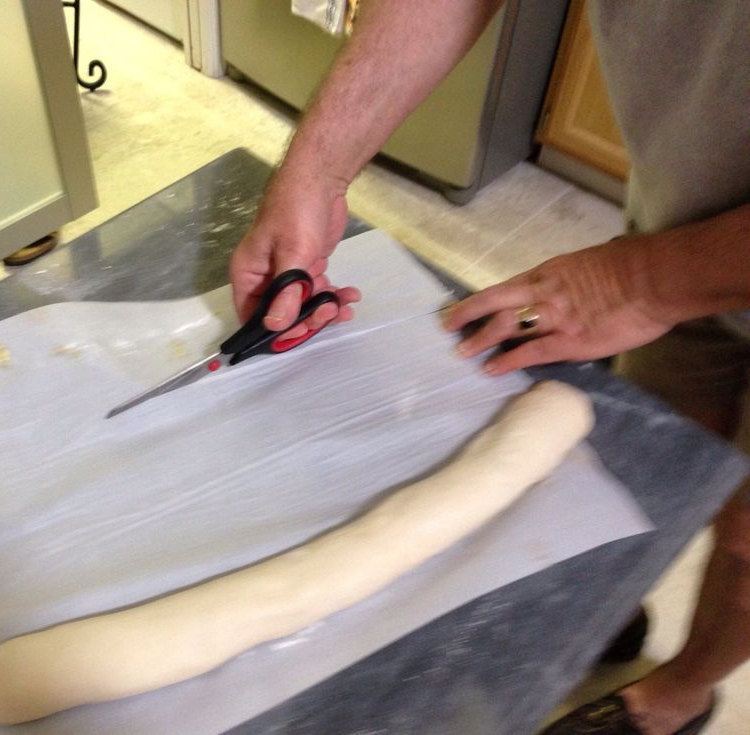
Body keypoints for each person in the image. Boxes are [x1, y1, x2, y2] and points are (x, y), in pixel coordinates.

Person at [228, 2, 750, 734]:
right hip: (690, 217)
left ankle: (682, 690)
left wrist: (642, 281)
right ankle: (611, 608)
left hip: (681, 257)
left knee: (746, 539)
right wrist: (316, 175)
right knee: (655, 445)